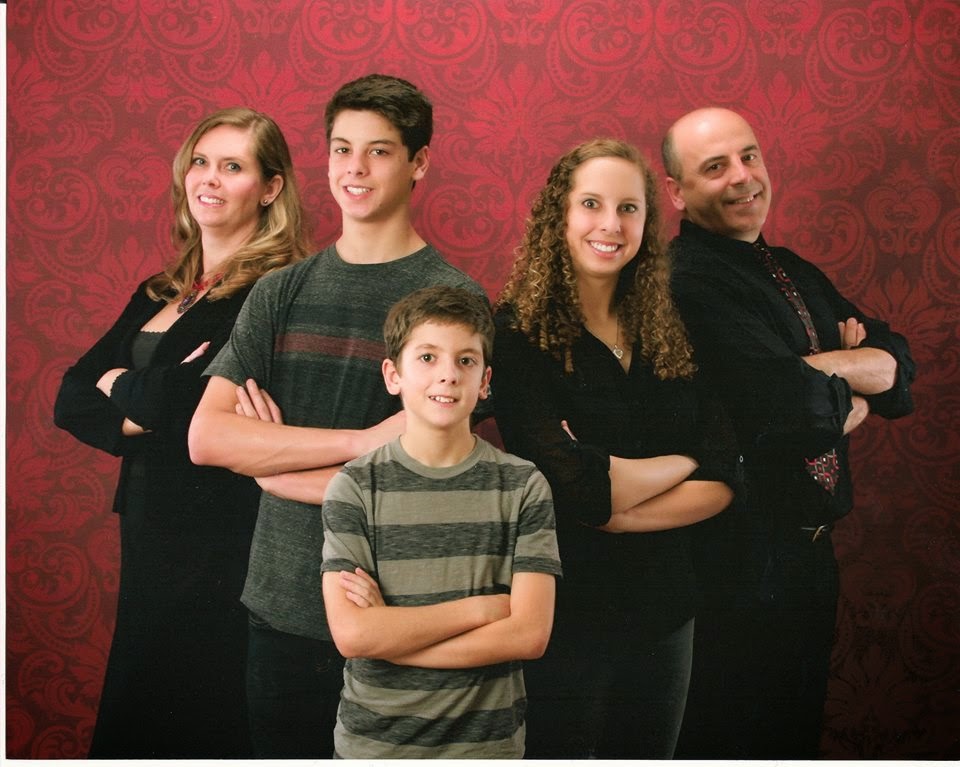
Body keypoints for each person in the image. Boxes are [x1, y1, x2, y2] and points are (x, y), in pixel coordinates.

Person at [187, 74, 488, 758]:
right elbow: (208, 437)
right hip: (281, 606)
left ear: (419, 162)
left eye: (379, 151)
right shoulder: (280, 291)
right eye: (342, 149)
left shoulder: (455, 299)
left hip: (402, 615)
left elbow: (430, 476)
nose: (354, 168)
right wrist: (363, 441)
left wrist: (272, 465)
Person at [53, 107, 308, 758]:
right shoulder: (158, 291)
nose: (209, 179)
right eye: (200, 162)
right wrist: (141, 393)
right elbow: (70, 396)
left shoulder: (275, 292)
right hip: (148, 524)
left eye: (233, 166)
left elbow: (188, 405)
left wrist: (120, 381)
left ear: (270, 188)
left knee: (201, 708)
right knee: (142, 704)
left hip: (220, 528)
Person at [662, 107, 917, 759]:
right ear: (676, 192)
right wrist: (840, 381)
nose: (742, 176)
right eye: (715, 167)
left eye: (749, 155)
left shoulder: (792, 270)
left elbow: (896, 363)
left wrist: (821, 371)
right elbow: (792, 408)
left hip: (810, 562)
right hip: (737, 568)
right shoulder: (686, 281)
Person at [492, 138, 740, 759]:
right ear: (559, 215)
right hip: (568, 612)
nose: (611, 224)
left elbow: (727, 471)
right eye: (591, 204)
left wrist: (620, 502)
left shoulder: (672, 323)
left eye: (628, 208)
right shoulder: (517, 335)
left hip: (669, 609)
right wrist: (683, 462)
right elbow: (575, 490)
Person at [319, 286, 561, 758]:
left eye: (465, 360)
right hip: (376, 747)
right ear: (393, 375)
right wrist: (483, 610)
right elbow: (354, 635)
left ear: (485, 381)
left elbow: (529, 635)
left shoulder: (523, 485)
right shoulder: (355, 486)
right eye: (428, 357)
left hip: (486, 748)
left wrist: (392, 638)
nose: (448, 374)